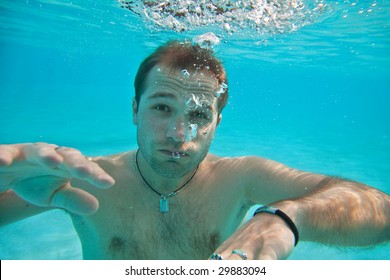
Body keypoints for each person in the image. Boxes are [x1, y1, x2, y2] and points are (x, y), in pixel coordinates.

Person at [0, 40, 389, 260]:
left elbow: (381, 211)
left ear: (218, 123)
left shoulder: (240, 177)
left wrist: (289, 217)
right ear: (135, 110)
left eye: (200, 114)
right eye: (162, 107)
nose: (178, 134)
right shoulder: (84, 179)